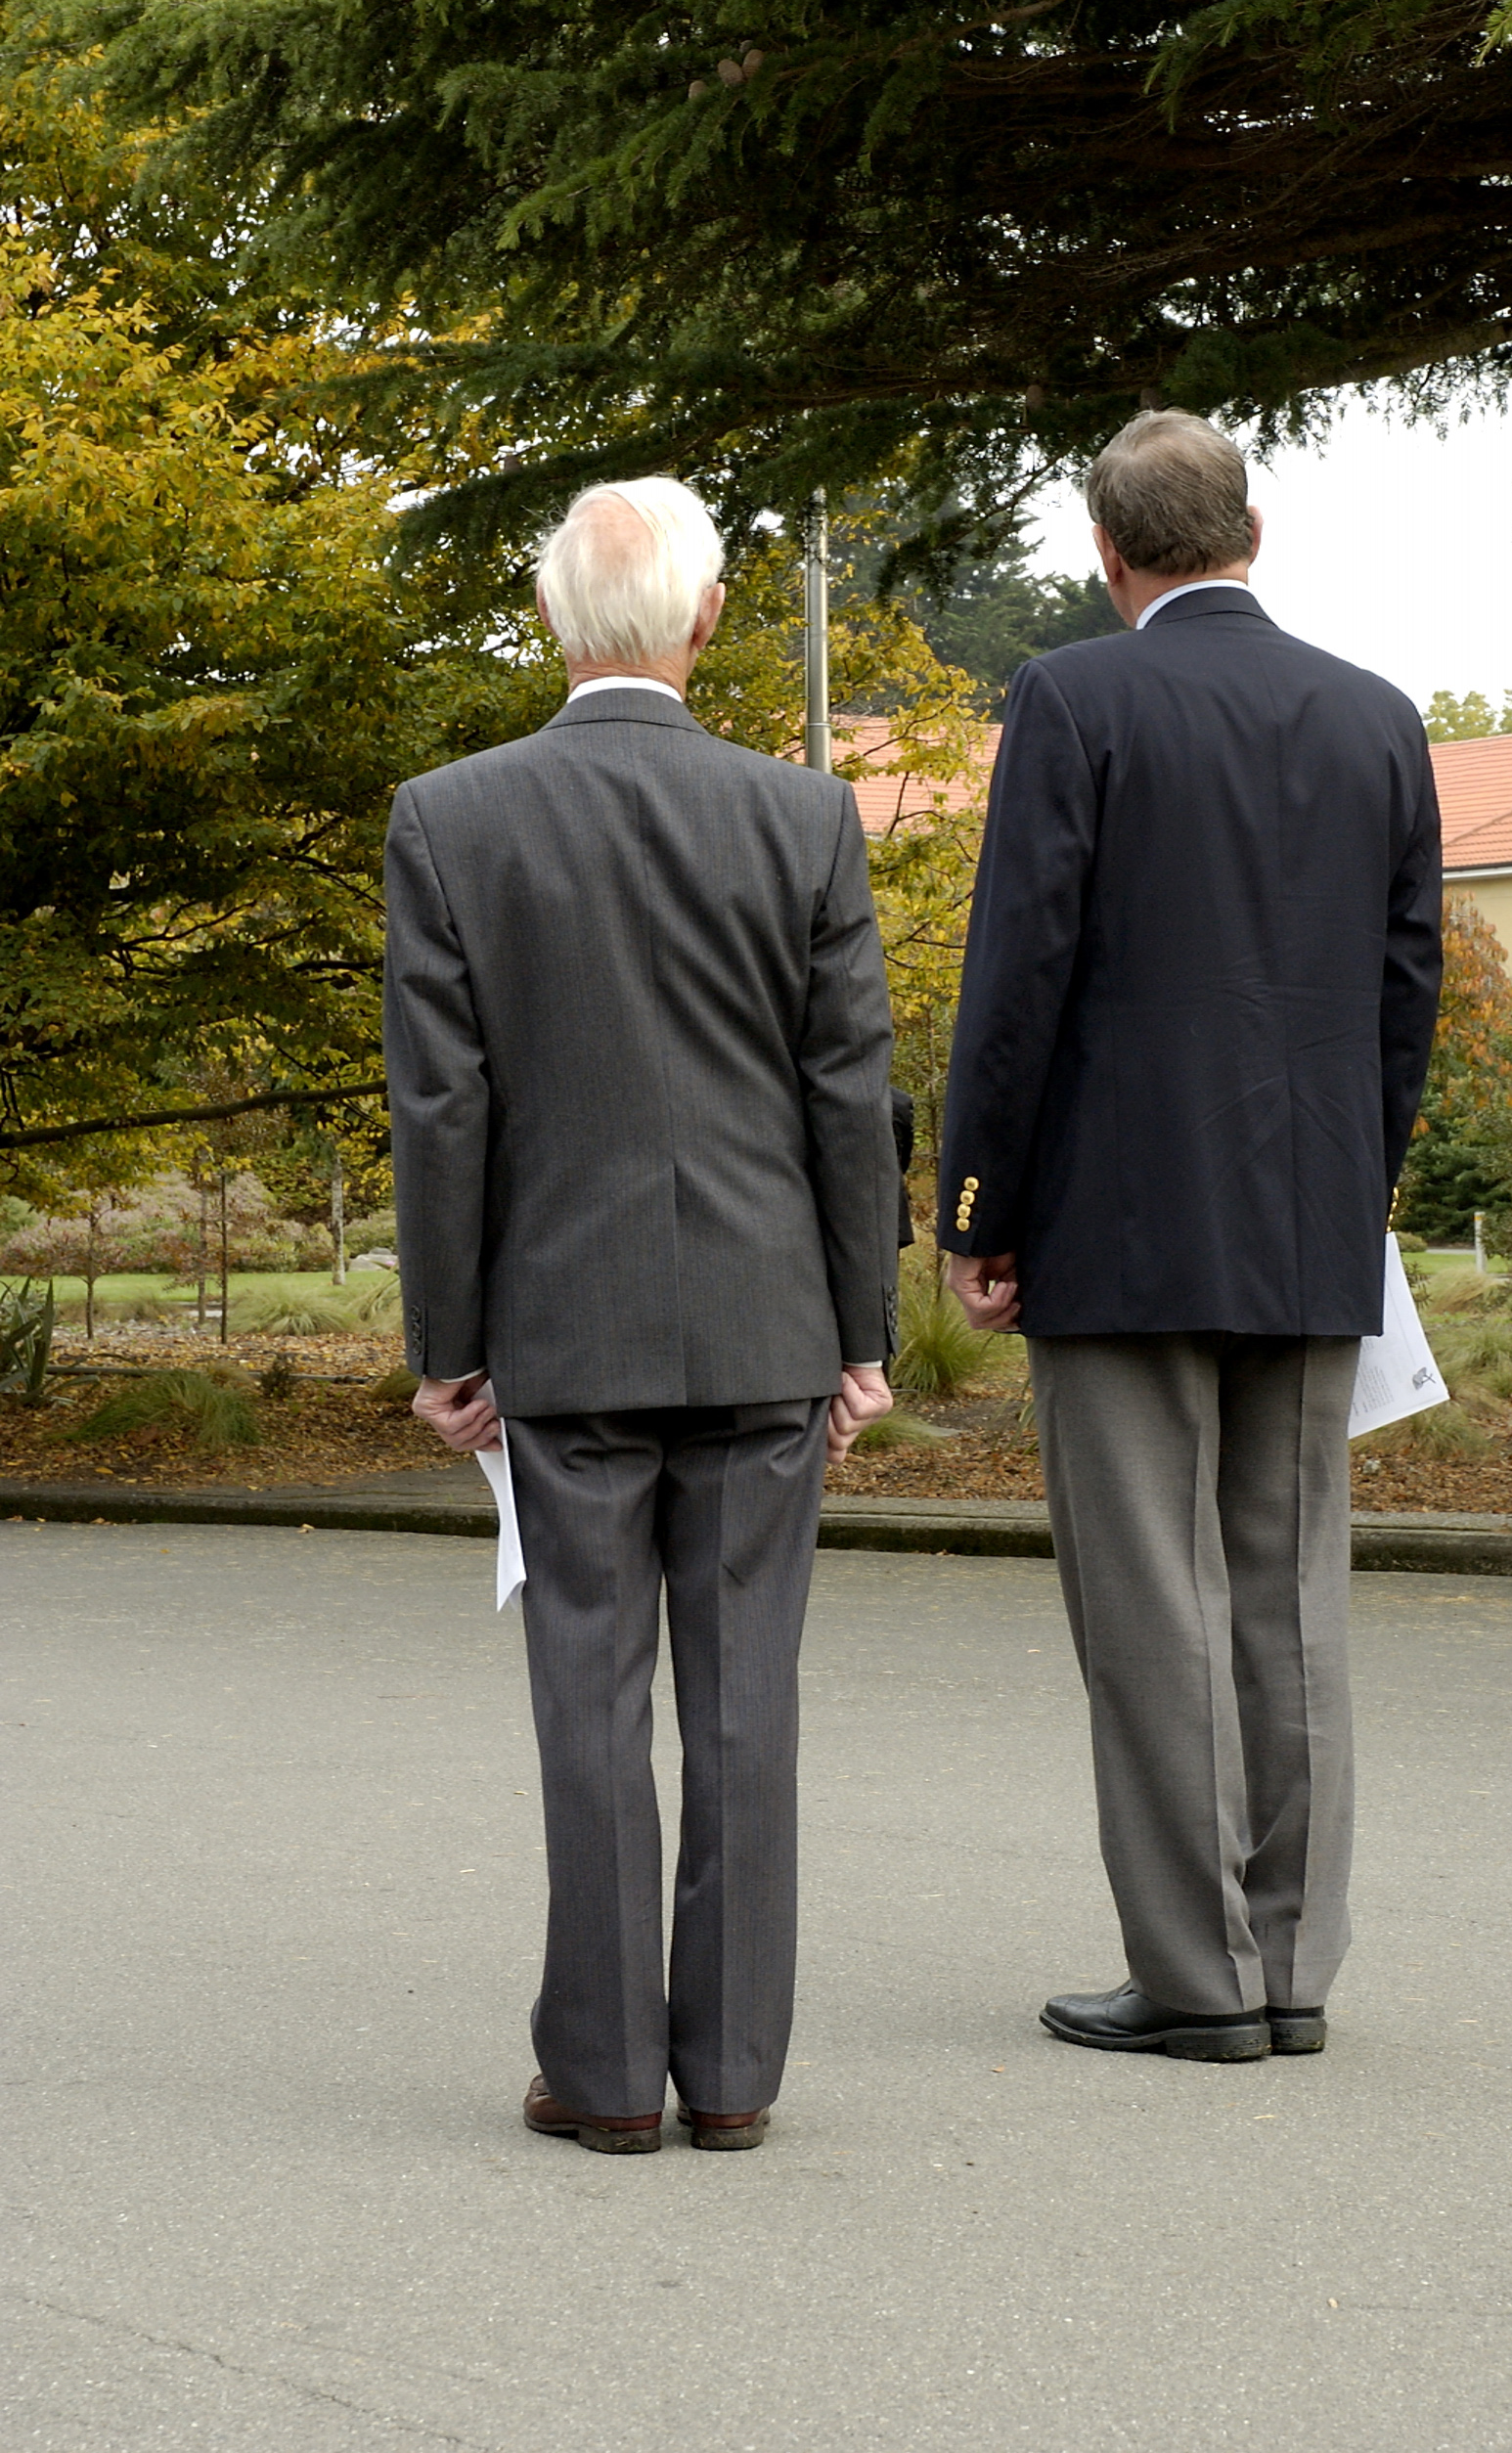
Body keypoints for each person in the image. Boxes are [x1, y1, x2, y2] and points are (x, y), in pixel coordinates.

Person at [384, 478, 899, 2155]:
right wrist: (861, 1328)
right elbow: (850, 1098)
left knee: (587, 1702)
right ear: (711, 620)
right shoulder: (806, 817)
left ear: (551, 622)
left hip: (566, 1325)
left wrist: (447, 1347)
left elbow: (443, 1109)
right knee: (749, 1698)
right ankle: (736, 2075)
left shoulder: (452, 819)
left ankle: (602, 2082)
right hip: (764, 1322)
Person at [939, 412, 1443, 2063]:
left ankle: (1196, 1977)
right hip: (1309, 1221)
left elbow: (1017, 977)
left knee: (1149, 1599)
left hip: (1119, 1224)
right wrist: (1350, 1189)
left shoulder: (1074, 697)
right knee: (1291, 1594)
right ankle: (1293, 1963)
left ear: (1109, 553)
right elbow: (1404, 989)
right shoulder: (1378, 718)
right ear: (1253, 529)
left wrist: (975, 1213)